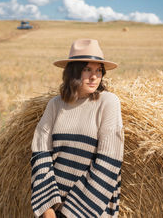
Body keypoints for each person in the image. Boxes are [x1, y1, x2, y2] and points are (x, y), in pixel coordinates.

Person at [31, 39, 124, 218]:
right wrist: (47, 208)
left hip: (90, 209)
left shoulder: (108, 102)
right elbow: (40, 152)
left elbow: (109, 161)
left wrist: (70, 214)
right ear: (73, 72)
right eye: (87, 69)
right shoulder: (55, 105)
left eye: (98, 70)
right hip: (53, 205)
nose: (94, 77)